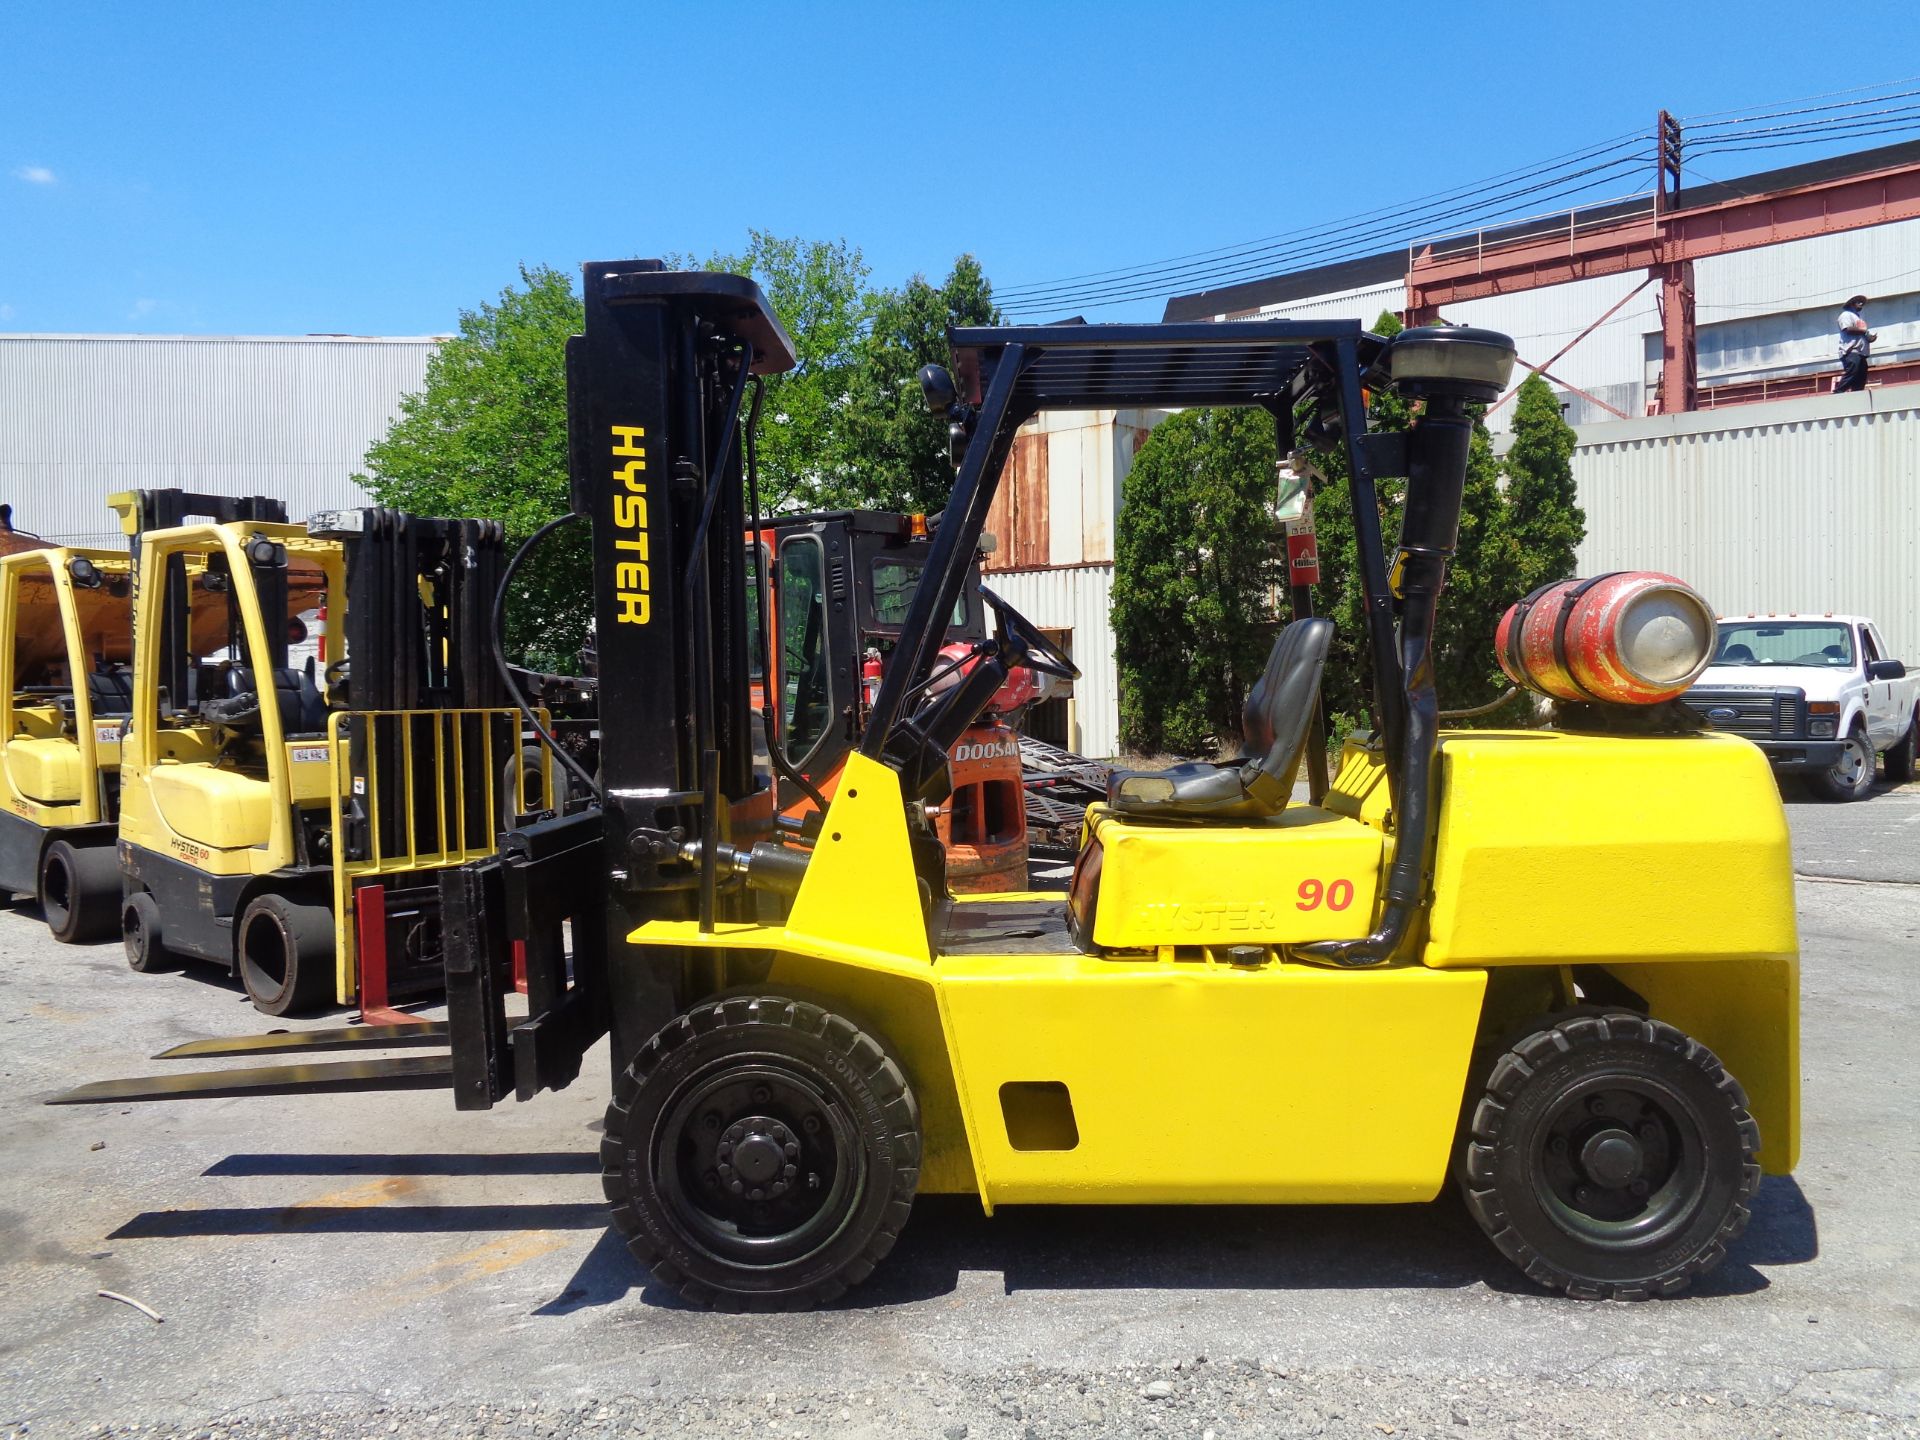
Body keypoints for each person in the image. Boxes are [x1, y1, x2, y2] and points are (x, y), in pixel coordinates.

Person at [1835, 294, 1876, 393]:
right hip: (1851, 350)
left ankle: (1857, 394)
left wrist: (1869, 337)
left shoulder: (1859, 318)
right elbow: (1847, 329)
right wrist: (1864, 331)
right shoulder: (1846, 315)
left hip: (1861, 352)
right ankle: (1838, 391)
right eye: (1858, 302)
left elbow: (1862, 332)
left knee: (1861, 375)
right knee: (1853, 370)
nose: (1861, 304)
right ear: (1852, 304)